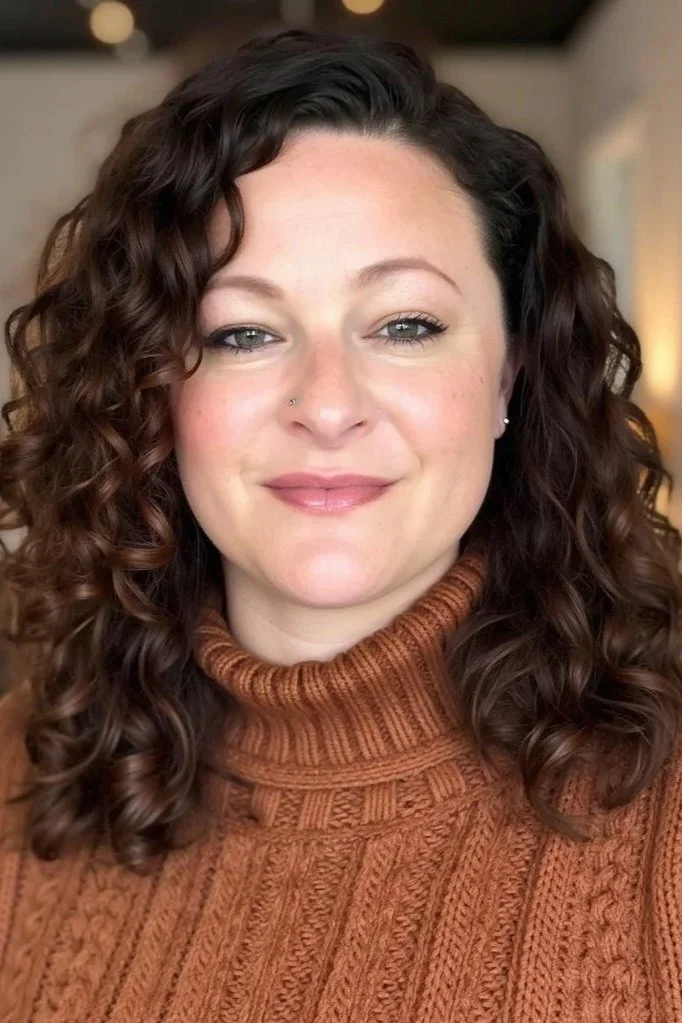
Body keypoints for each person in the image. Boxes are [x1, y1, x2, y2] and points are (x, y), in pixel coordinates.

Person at [0, 26, 681, 1022]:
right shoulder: (22, 783)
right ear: (149, 391)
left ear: (507, 375)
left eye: (404, 325)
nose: (326, 404)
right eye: (242, 333)